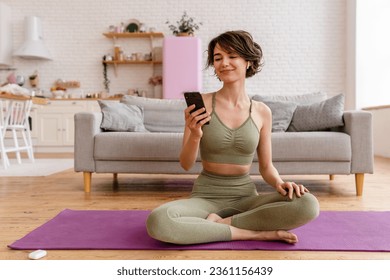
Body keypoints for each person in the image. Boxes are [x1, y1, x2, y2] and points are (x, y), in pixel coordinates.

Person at [146, 30, 319, 245]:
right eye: (218, 58)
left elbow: (266, 167)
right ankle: (253, 233)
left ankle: (220, 224)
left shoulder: (262, 111)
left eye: (231, 56)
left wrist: (281, 184)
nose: (224, 63)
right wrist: (195, 135)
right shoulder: (201, 103)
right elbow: (186, 163)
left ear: (248, 61)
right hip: (205, 197)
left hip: (246, 198)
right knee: (159, 221)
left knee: (307, 204)